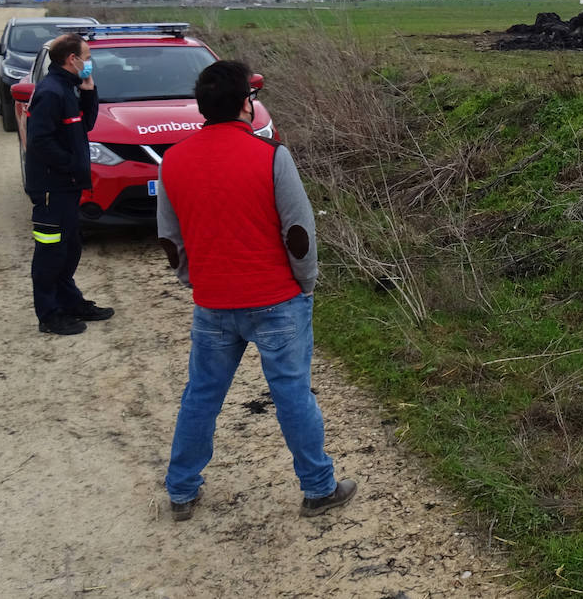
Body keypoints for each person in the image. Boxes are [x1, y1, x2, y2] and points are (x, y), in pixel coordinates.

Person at [157, 60, 355, 522]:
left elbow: (170, 239)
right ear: (246, 104)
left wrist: (195, 280)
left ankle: (182, 491)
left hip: (212, 304)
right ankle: (318, 489)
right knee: (292, 395)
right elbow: (299, 233)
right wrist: (304, 285)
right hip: (278, 301)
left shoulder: (173, 160)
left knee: (201, 395)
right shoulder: (271, 156)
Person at [25, 33, 115, 335]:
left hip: (67, 185)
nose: (90, 63)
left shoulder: (67, 88)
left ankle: (70, 302)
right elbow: (39, 141)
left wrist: (89, 91)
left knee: (70, 248)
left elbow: (85, 125)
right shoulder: (50, 92)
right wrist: (71, 165)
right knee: (51, 251)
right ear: (72, 59)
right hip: (52, 187)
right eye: (87, 58)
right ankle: (49, 315)